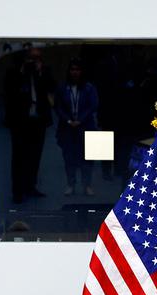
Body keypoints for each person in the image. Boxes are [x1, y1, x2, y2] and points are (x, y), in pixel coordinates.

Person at [4, 47, 55, 204]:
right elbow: (10, 93)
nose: (34, 61)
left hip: (38, 119)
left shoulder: (44, 71)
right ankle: (18, 191)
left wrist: (39, 73)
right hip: (20, 121)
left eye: (37, 58)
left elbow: (52, 87)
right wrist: (23, 72)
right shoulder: (14, 73)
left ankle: (30, 186)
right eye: (31, 58)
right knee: (19, 156)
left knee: (35, 155)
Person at [54, 58, 98, 197]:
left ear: (82, 71)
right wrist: (68, 120)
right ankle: (70, 185)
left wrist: (80, 120)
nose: (75, 72)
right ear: (69, 71)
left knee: (87, 158)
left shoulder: (89, 87)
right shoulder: (62, 87)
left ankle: (87, 185)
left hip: (85, 126)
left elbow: (93, 105)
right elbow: (58, 106)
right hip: (67, 127)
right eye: (72, 69)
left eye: (78, 69)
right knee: (69, 158)